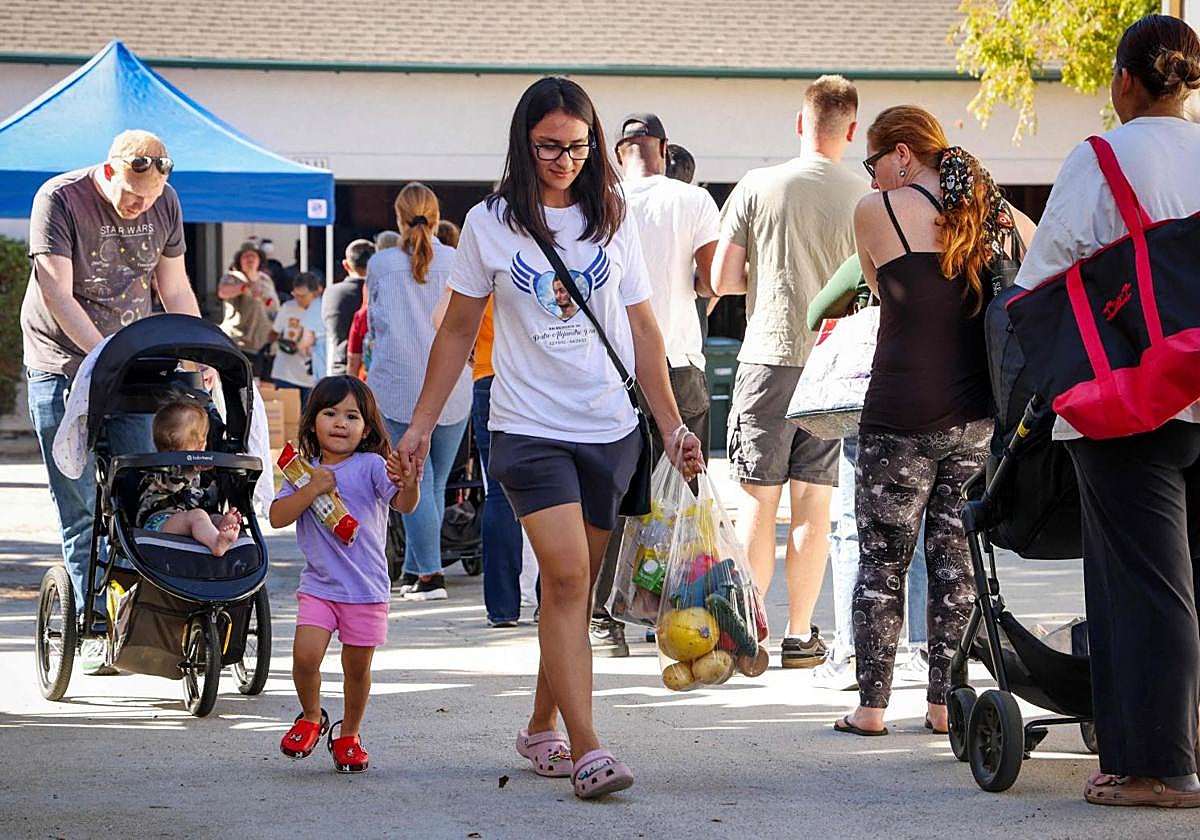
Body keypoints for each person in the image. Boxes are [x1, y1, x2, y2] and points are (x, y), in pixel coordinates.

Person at [391, 77, 702, 799]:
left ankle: (540, 725)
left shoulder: (612, 215)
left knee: (573, 593)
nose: (563, 159)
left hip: (609, 429)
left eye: (576, 146)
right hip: (527, 426)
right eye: (548, 147)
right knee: (563, 581)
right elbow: (458, 331)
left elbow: (643, 330)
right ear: (523, 145)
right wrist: (419, 426)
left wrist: (673, 425)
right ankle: (589, 749)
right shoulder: (489, 223)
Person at [1014, 14, 1200, 806]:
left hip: (1132, 398)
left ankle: (1159, 766)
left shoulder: (1102, 157)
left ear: (1124, 81)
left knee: (1143, 582)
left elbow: (1042, 275)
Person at [834, 105, 1035, 737]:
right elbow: (1036, 253)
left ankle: (870, 708)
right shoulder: (989, 213)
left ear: (901, 153)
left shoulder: (877, 213)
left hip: (897, 412)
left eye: (874, 163)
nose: (870, 180)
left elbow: (873, 285)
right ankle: (945, 704)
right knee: (956, 563)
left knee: (881, 561)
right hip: (973, 418)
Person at [21, 129, 208, 675]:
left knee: (136, 494)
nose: (137, 206)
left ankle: (131, 623)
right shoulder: (60, 198)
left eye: (147, 199)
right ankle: (91, 624)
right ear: (109, 171)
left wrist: (199, 351)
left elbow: (174, 287)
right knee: (80, 504)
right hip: (60, 363)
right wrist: (102, 354)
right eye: (129, 194)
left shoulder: (166, 202)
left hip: (131, 366)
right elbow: (56, 289)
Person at [712, 75, 868, 668]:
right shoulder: (867, 192)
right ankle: (801, 636)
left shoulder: (757, 185)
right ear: (851, 130)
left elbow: (722, 280)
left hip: (768, 353)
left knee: (757, 500)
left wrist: (772, 276)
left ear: (800, 123)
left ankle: (750, 631)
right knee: (814, 503)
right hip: (834, 362)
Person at [589, 112, 720, 657]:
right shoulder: (692, 200)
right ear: (664, 149)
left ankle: (603, 617)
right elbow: (713, 278)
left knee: (614, 492)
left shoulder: (600, 200)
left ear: (621, 152)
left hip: (610, 362)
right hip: (678, 356)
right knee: (681, 493)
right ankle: (673, 611)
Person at [272, 376, 419, 774]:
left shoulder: (371, 466)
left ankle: (349, 733)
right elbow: (277, 516)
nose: (340, 422)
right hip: (319, 587)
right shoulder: (302, 472)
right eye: (330, 413)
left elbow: (404, 504)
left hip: (366, 590)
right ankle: (310, 716)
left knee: (357, 669)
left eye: (352, 416)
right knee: (304, 657)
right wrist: (312, 488)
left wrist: (411, 482)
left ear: (366, 427)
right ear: (312, 422)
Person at [806, 255, 929, 691]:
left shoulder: (873, 251)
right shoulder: (953, 245)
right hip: (935, 400)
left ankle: (850, 648)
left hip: (871, 395)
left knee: (853, 530)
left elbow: (815, 313)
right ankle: (918, 647)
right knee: (922, 528)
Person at [367, 183, 472, 601]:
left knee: (411, 482)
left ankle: (430, 575)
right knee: (435, 483)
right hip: (453, 387)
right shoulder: (456, 259)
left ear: (398, 216)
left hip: (398, 387)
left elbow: (376, 326)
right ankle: (415, 569)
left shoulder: (380, 264)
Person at [137, 401, 241, 556]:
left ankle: (221, 527)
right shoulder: (159, 469)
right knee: (198, 516)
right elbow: (173, 483)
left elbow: (196, 496)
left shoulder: (194, 473)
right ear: (201, 444)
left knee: (211, 516)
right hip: (159, 522)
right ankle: (216, 543)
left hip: (186, 518)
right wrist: (189, 469)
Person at [218, 242, 278, 377]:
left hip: (265, 342)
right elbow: (223, 292)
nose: (250, 260)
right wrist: (243, 287)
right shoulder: (233, 277)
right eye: (246, 256)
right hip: (241, 342)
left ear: (259, 260)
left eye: (253, 256)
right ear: (239, 260)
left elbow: (272, 305)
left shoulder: (265, 279)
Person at [323, 239, 374, 377]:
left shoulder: (332, 293)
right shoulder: (379, 294)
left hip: (339, 369)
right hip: (368, 374)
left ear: (346, 265)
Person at [270, 272, 321, 404]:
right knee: (288, 420)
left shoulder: (323, 310)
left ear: (315, 293)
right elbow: (274, 332)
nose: (298, 299)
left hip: (312, 376)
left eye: (302, 296)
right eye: (295, 295)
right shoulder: (288, 307)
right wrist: (280, 342)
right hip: (285, 373)